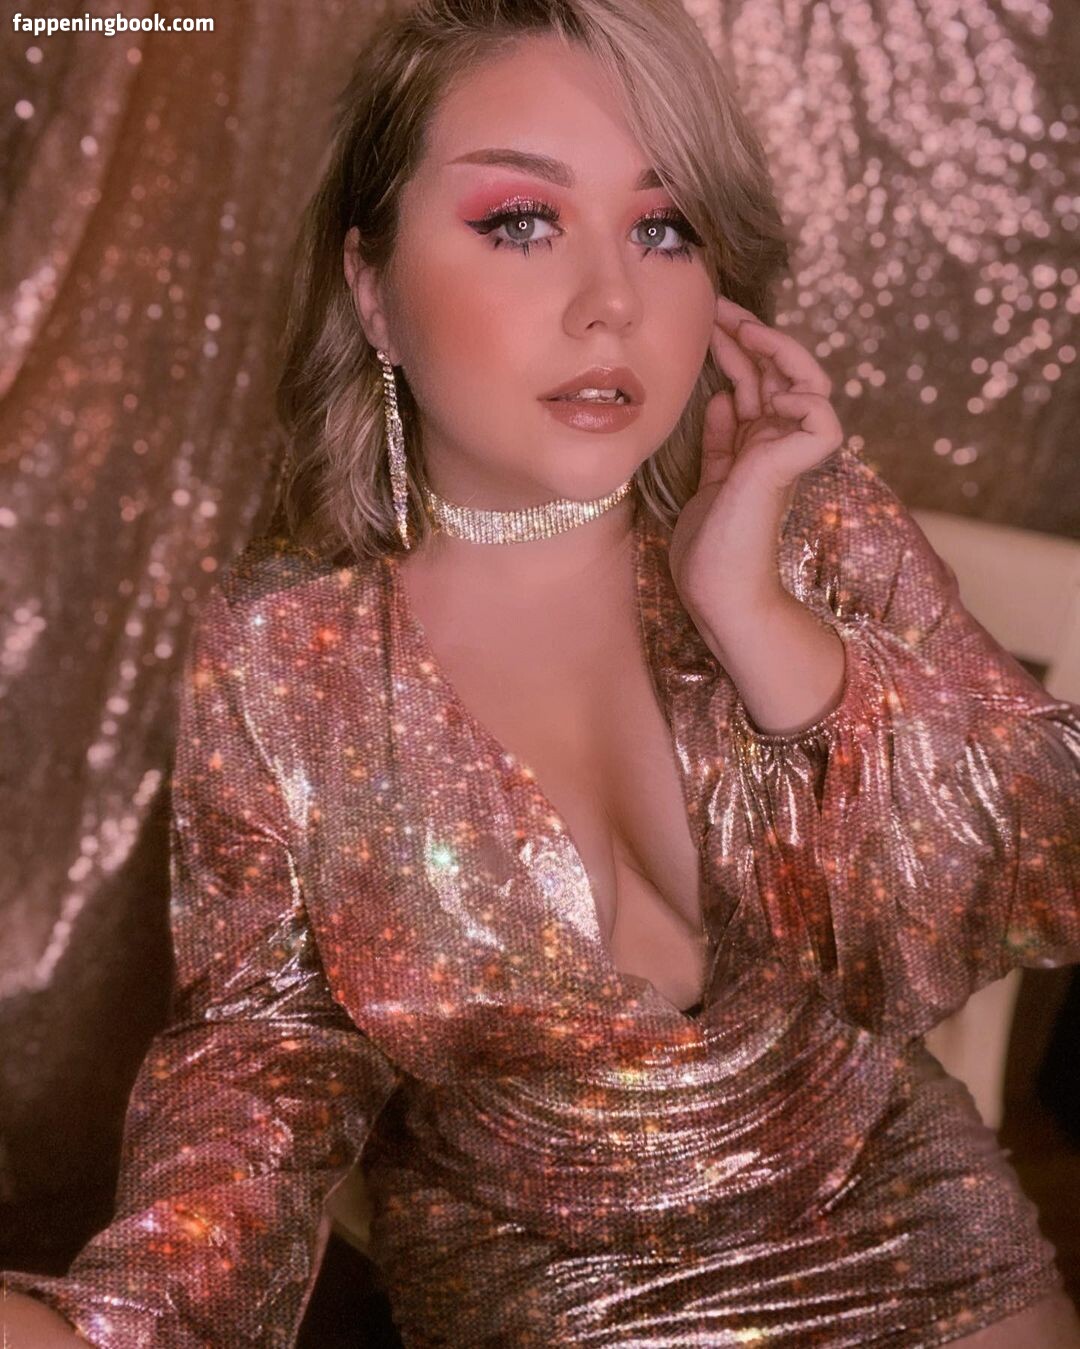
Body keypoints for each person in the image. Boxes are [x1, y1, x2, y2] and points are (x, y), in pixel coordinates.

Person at [4, 0, 1080, 1344]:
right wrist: (116, 1325)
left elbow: (1033, 869)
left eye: (663, 227)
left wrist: (754, 616)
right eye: (522, 221)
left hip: (916, 1241)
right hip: (560, 1301)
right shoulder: (285, 662)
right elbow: (260, 1071)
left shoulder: (802, 520)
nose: (611, 301)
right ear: (373, 291)